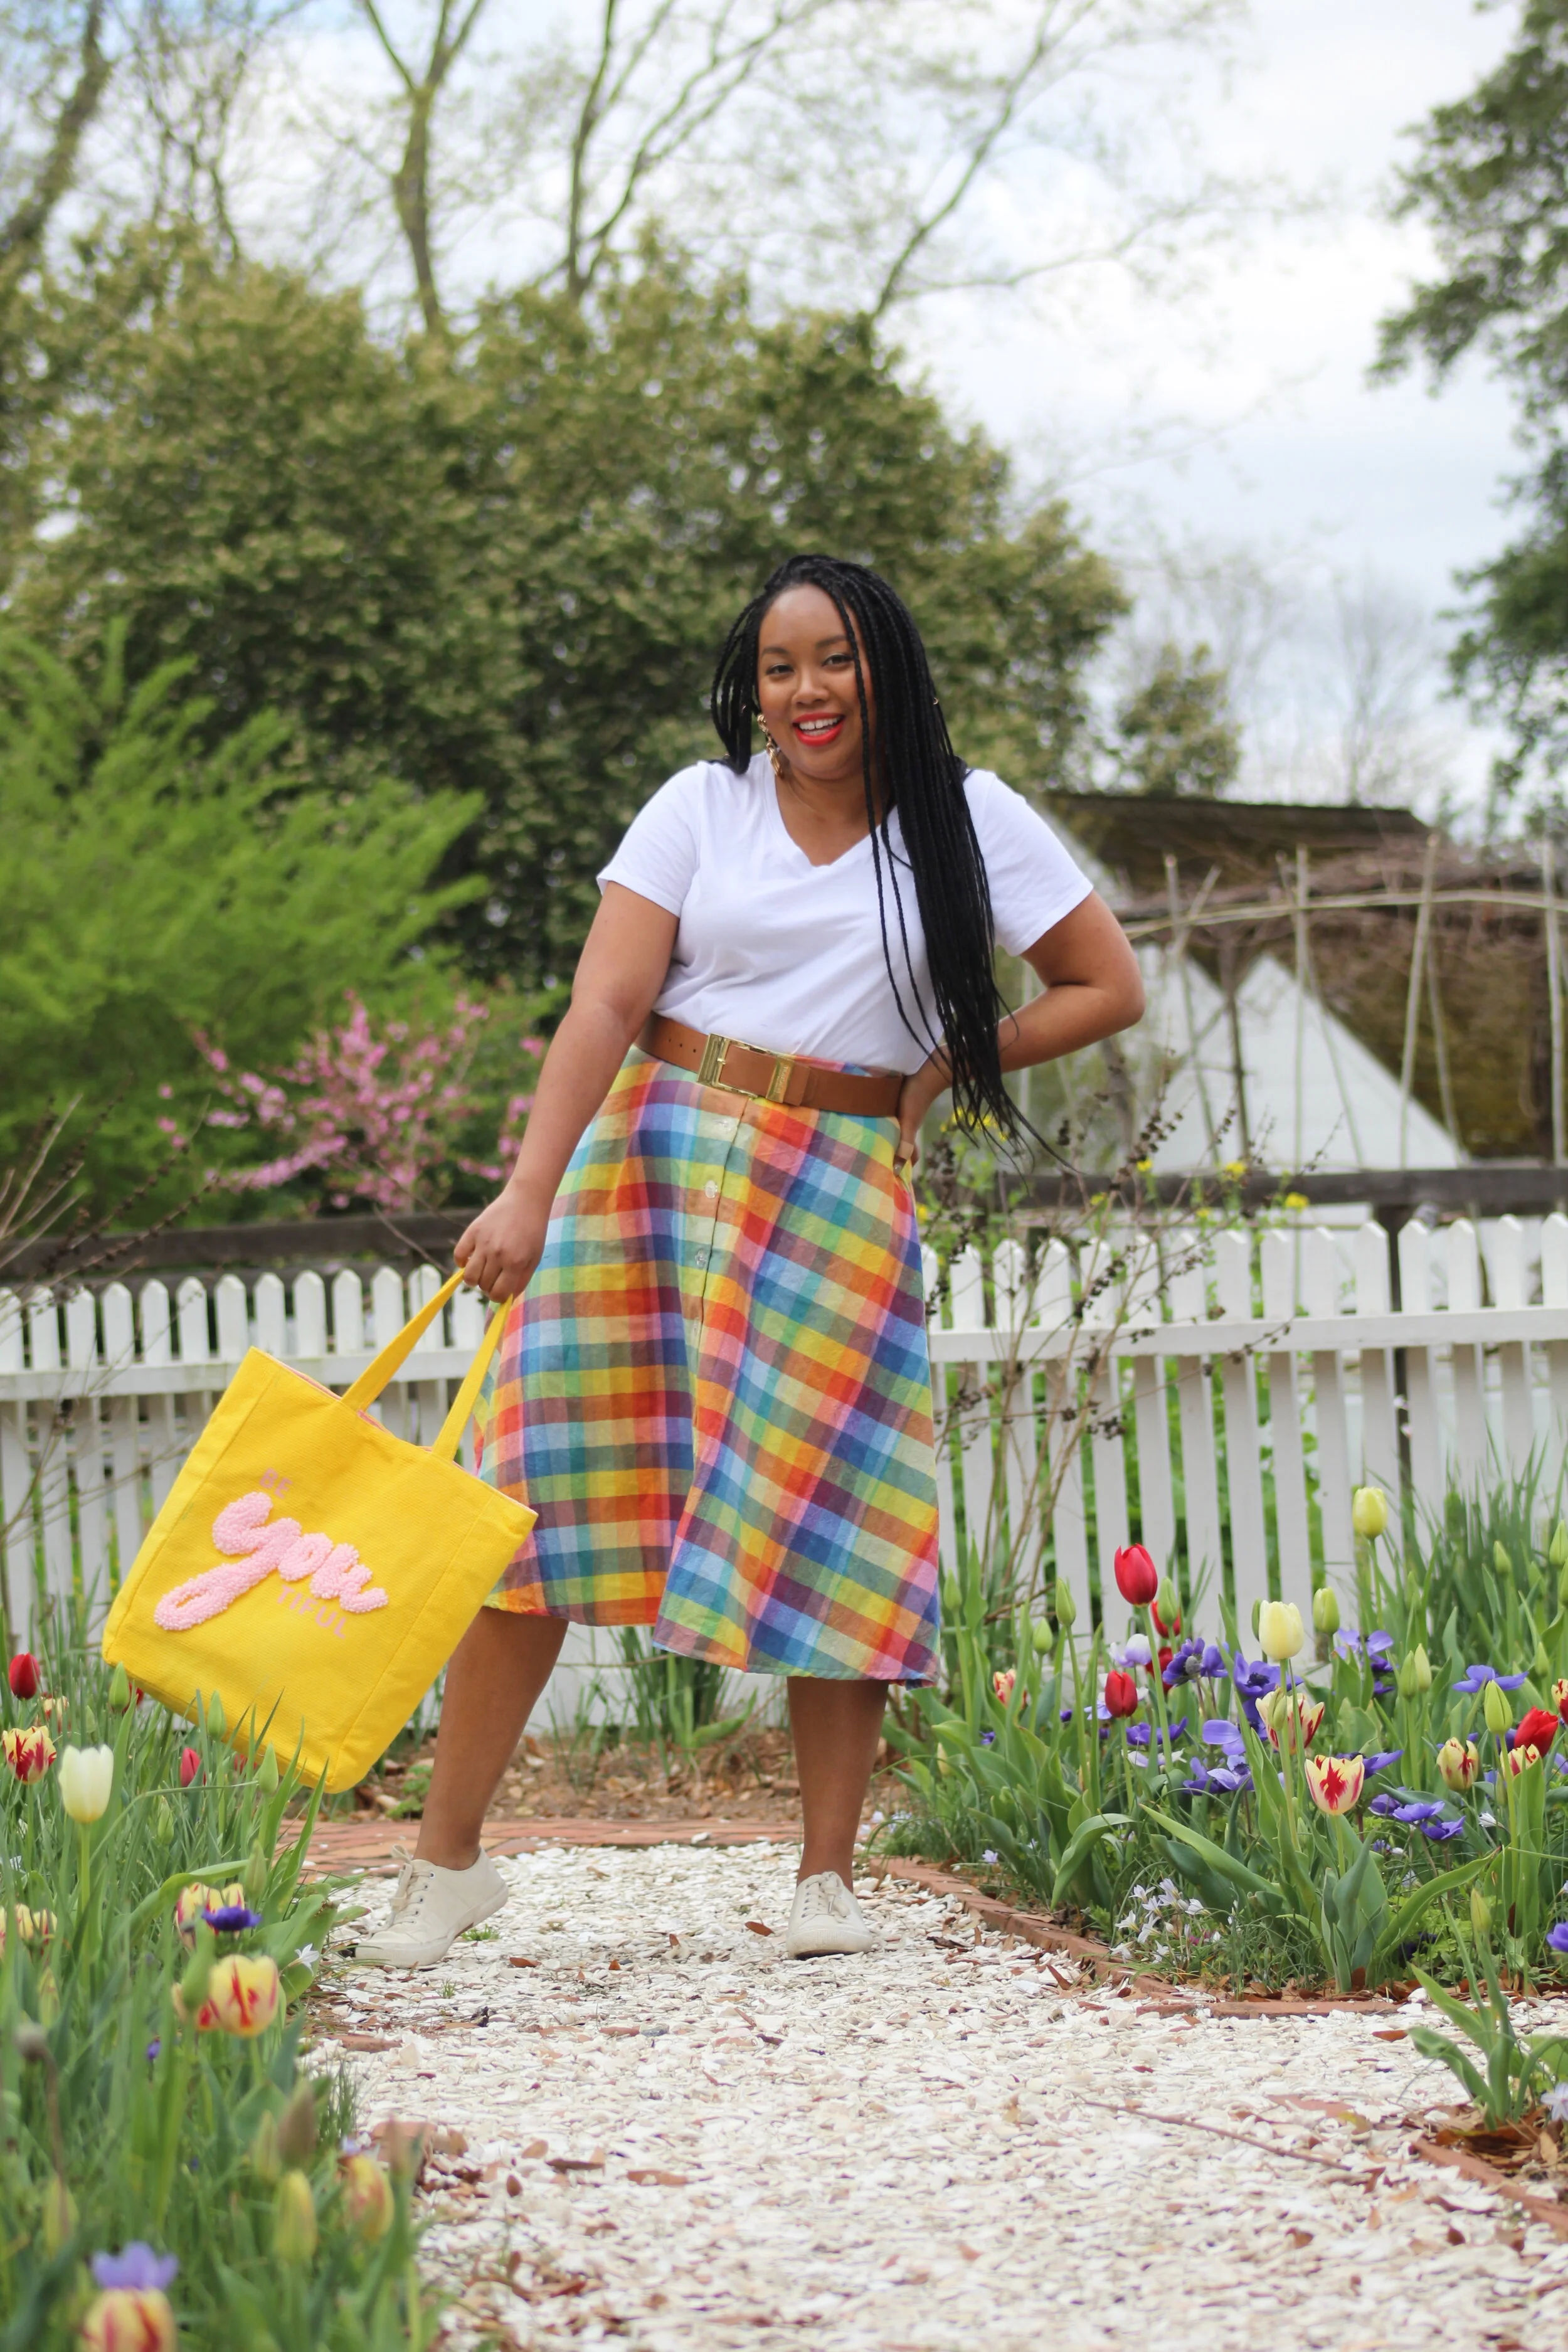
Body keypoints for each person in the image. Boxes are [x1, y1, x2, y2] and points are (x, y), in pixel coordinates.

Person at [357, 553, 1144, 1969]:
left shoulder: (970, 821)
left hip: (837, 1183)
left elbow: (1105, 984)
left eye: (831, 659)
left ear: (882, 666)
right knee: (532, 1497)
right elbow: (604, 1000)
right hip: (651, 1162)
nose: (804, 693)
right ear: (752, 688)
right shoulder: (698, 807)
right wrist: (527, 1191)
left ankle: (825, 1883)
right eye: (778, 669)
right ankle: (443, 1865)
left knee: (832, 1507)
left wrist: (944, 1064)